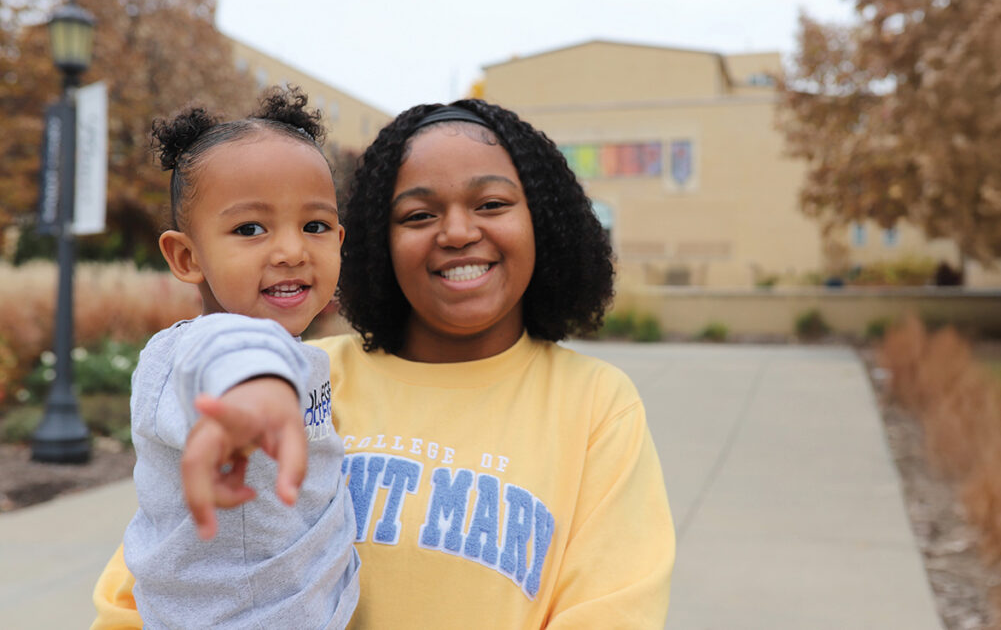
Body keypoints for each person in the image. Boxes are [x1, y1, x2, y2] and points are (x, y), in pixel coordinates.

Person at [94, 99, 674, 628]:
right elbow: (144, 582)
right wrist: (258, 386)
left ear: (542, 221)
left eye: (491, 204)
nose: (457, 231)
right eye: (418, 215)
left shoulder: (597, 403)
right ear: (377, 241)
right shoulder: (290, 373)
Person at [116, 87, 359, 629]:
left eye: (315, 226)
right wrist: (256, 393)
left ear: (339, 241)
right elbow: (229, 354)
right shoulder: (186, 351)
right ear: (186, 255)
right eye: (250, 229)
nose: (293, 250)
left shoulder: (300, 352)